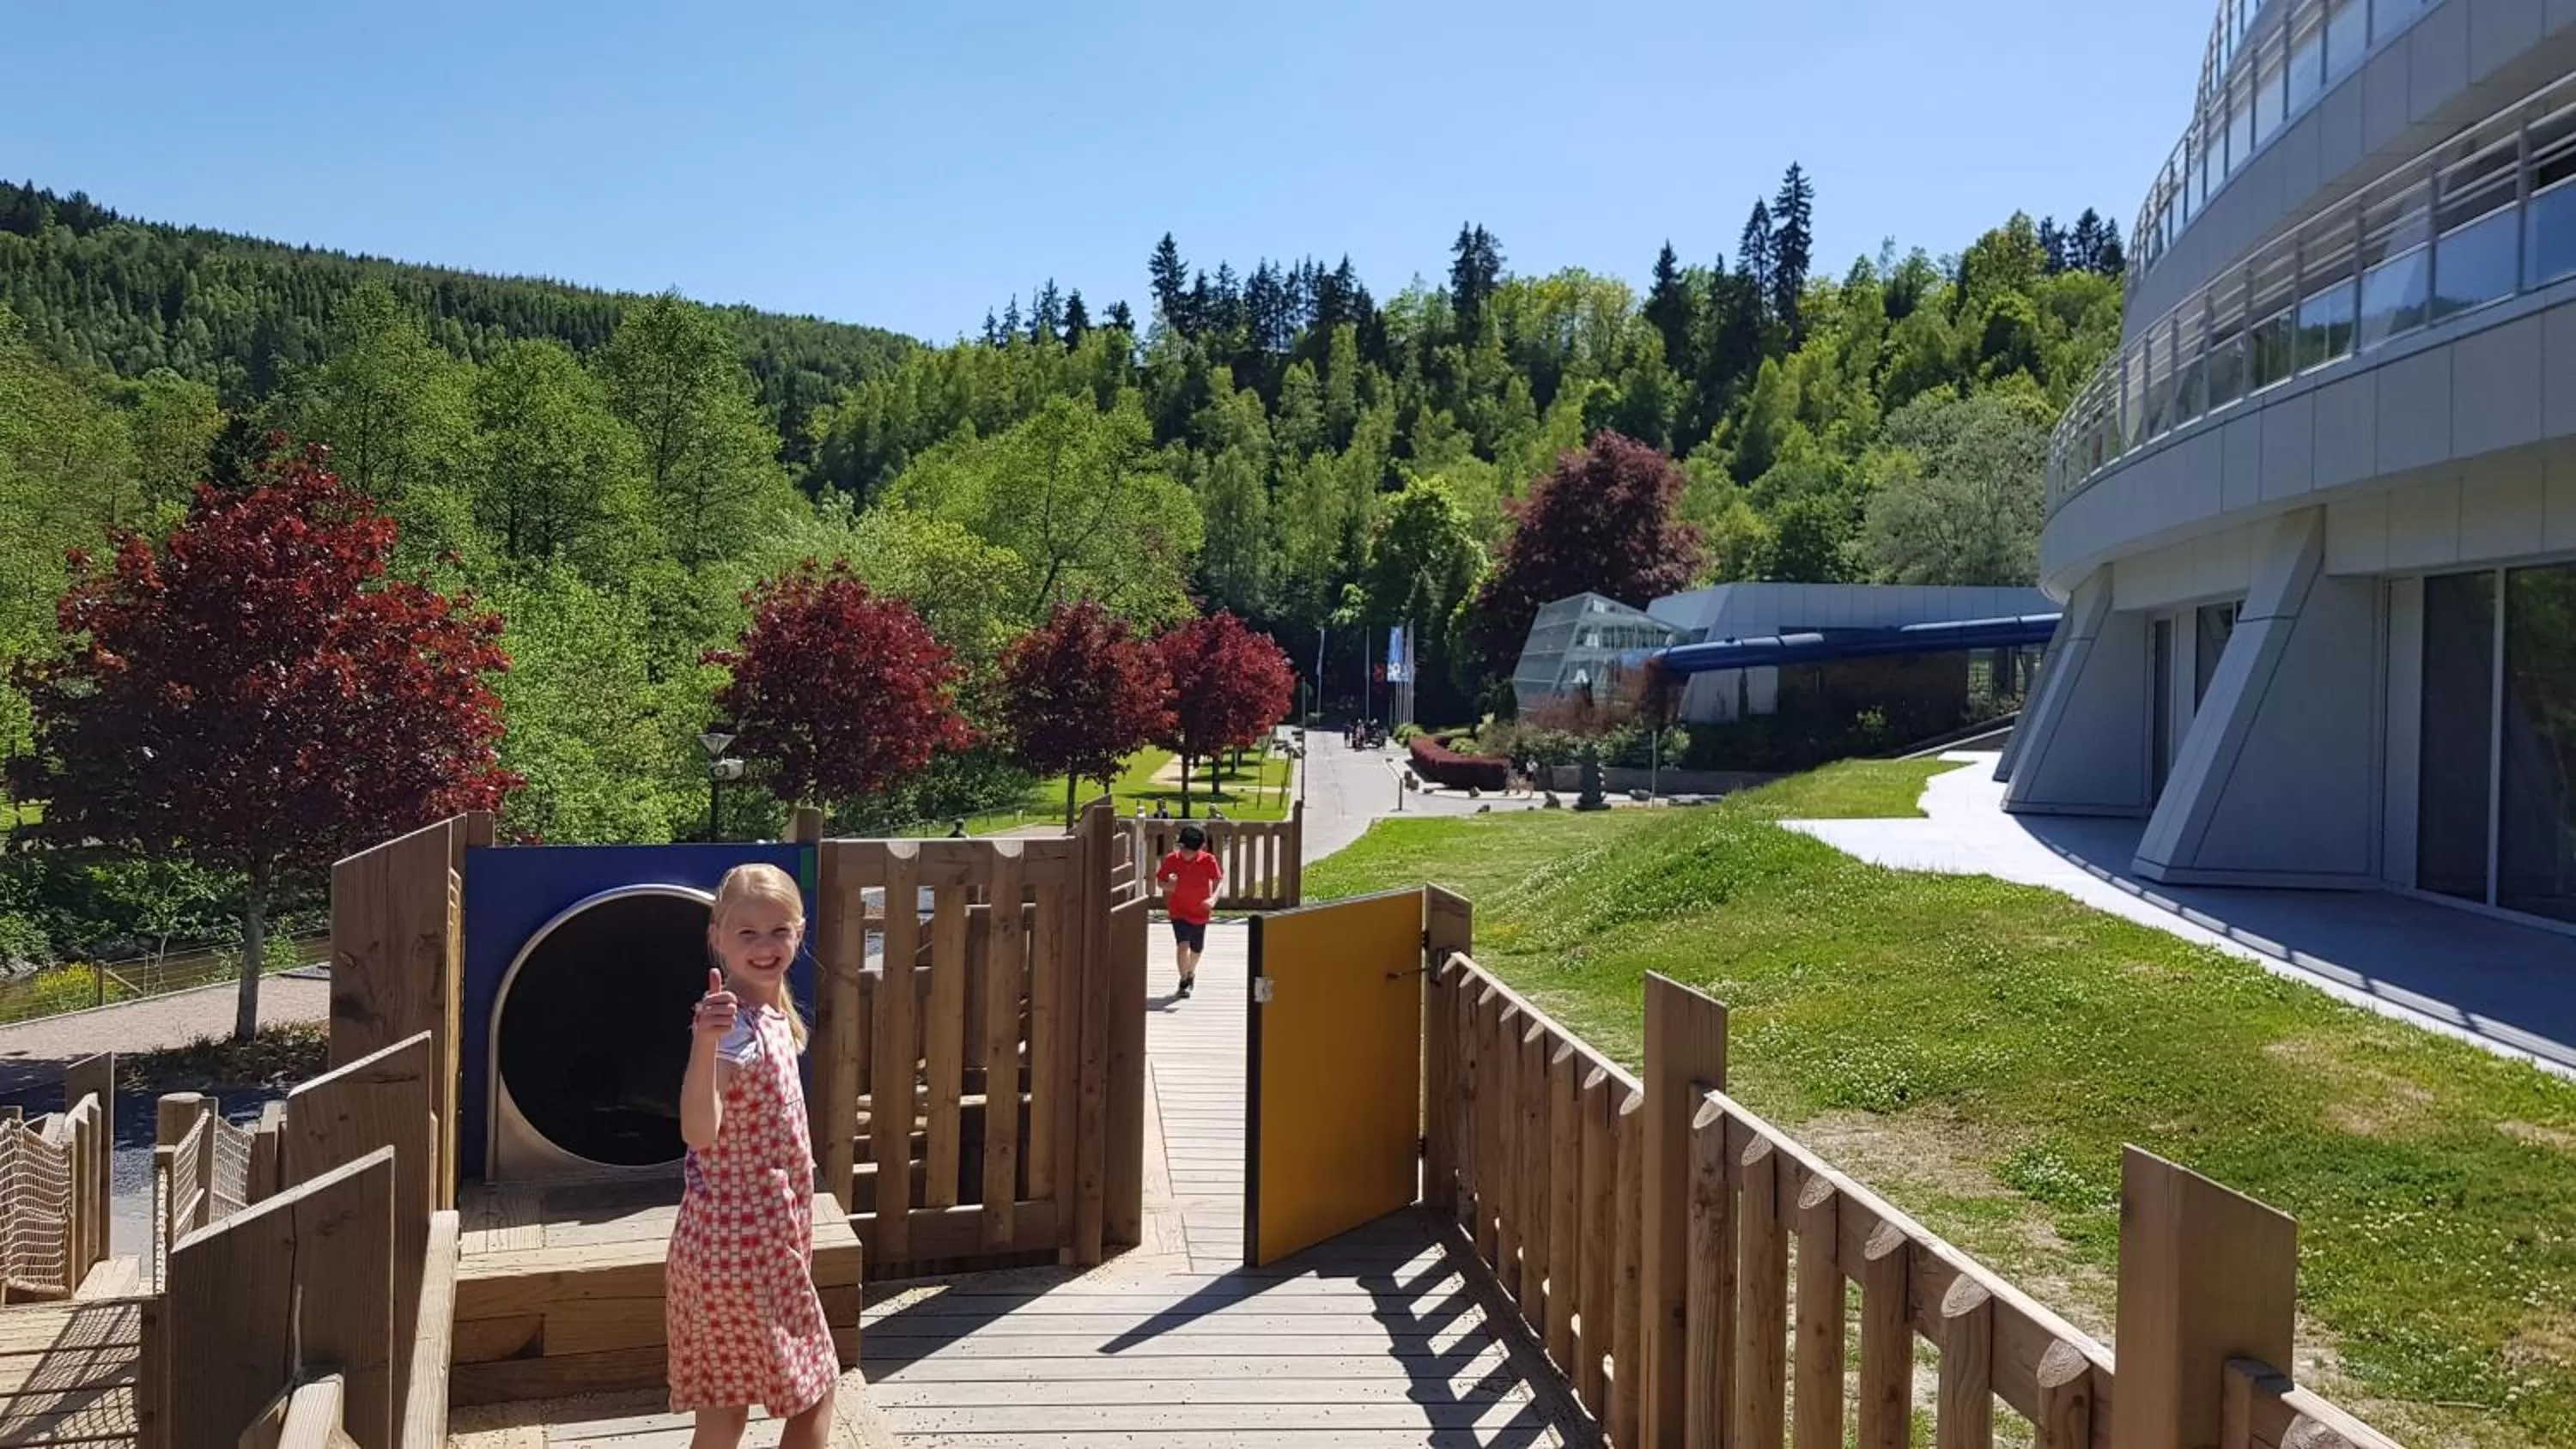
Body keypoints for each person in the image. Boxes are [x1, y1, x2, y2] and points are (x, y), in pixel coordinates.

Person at [668, 864, 838, 1449]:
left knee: (724, 1410)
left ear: (800, 931)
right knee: (817, 1388)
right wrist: (705, 1043)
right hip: (752, 1249)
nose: (765, 947)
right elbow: (698, 1129)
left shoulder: (771, 1018)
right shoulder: (733, 1030)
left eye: (778, 931)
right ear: (717, 936)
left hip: (716, 1248)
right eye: (747, 934)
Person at [1154, 823, 1223, 999]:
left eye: (1191, 850)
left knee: (1197, 949)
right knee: (1182, 945)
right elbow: (1160, 881)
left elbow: (1218, 881)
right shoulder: (1172, 859)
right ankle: (1184, 980)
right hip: (1179, 911)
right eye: (1184, 849)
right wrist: (1169, 885)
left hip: (1200, 910)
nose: (1186, 854)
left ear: (1200, 848)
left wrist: (1213, 899)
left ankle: (1191, 972)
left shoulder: (1208, 860)